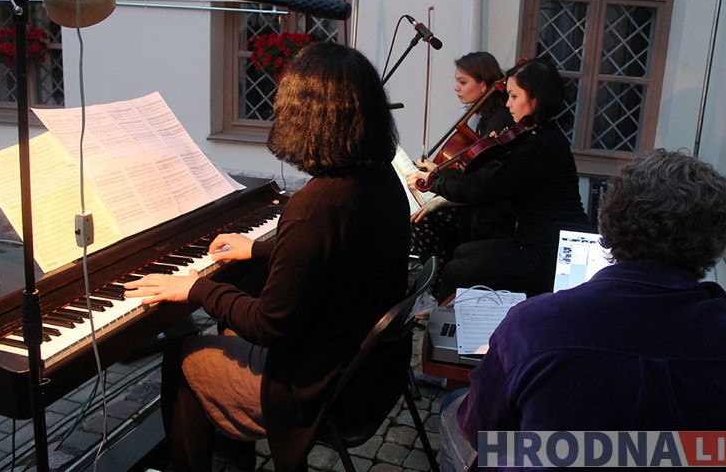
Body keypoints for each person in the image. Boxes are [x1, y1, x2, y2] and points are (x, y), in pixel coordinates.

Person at [125, 42, 411, 471]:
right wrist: (257, 248)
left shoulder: (316, 205)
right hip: (368, 372)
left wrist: (197, 288)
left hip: (320, 388)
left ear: (304, 118)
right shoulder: (379, 176)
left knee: (182, 356)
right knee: (229, 321)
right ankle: (233, 455)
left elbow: (269, 325)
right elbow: (337, 256)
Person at [443, 149, 726, 470]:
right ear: (715, 244)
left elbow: (480, 431)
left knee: (452, 407)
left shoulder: (532, 325)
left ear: (609, 223)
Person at [408, 57, 587, 302]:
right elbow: (482, 175)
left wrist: (435, 182)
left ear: (536, 98)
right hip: (531, 241)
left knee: (456, 270)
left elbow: (485, 187)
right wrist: (438, 175)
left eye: (514, 96)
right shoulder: (535, 134)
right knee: (461, 252)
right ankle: (460, 312)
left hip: (551, 251)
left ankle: (445, 322)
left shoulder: (542, 145)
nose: (508, 103)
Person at [410, 51, 515, 270]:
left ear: (483, 85)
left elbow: (482, 185)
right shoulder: (487, 119)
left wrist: (439, 195)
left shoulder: (499, 123)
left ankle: (439, 277)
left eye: (463, 82)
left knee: (423, 220)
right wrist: (437, 170)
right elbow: (469, 174)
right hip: (476, 206)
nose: (456, 88)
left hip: (488, 217)